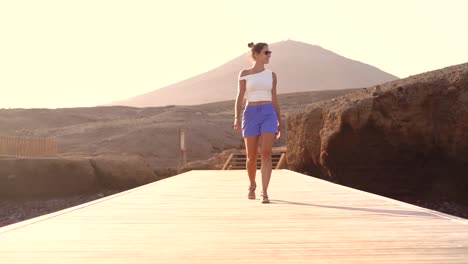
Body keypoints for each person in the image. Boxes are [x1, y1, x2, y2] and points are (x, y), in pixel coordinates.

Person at [233, 42, 281, 204]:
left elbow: (274, 98)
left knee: (266, 153)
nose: (269, 55)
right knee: (251, 156)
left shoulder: (272, 75)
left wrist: (279, 120)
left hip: (268, 113)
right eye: (267, 52)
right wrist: (236, 118)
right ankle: (252, 184)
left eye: (270, 52)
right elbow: (240, 97)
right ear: (256, 54)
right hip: (250, 113)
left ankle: (264, 191)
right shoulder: (244, 74)